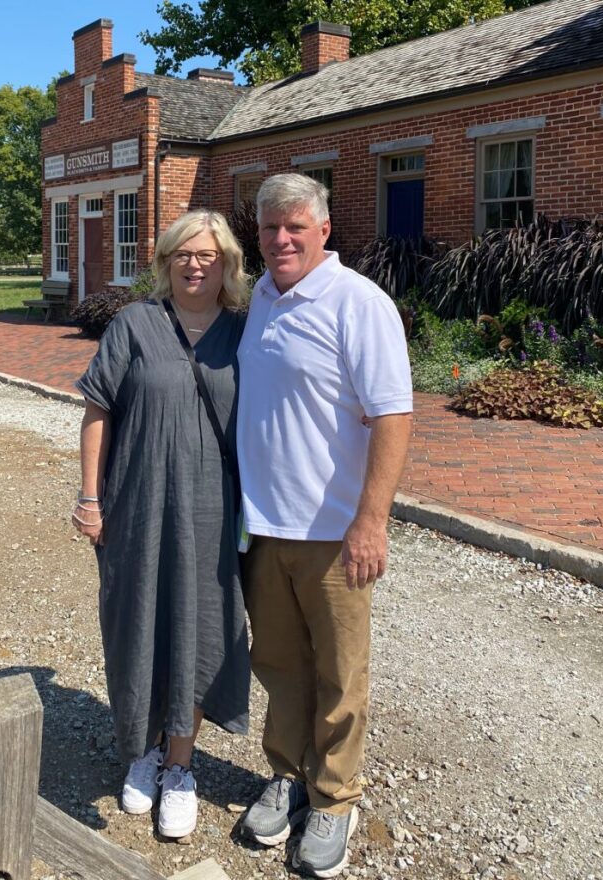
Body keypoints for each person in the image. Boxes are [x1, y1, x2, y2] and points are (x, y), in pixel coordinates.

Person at [237, 173, 413, 877]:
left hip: (334, 532)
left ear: (323, 230)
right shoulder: (259, 297)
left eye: (295, 227)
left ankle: (336, 796)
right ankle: (287, 774)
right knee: (278, 665)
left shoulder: (358, 304)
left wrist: (372, 520)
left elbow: (394, 416)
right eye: (269, 228)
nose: (281, 239)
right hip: (265, 527)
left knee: (341, 672)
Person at [73, 209, 250, 839]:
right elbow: (98, 409)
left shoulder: (243, 330)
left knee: (199, 628)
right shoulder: (134, 323)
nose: (195, 265)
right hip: (136, 504)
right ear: (165, 261)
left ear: (227, 263)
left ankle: (181, 764)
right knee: (138, 623)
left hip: (212, 512)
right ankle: (142, 752)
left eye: (208, 255)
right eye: (183, 255)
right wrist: (89, 498)